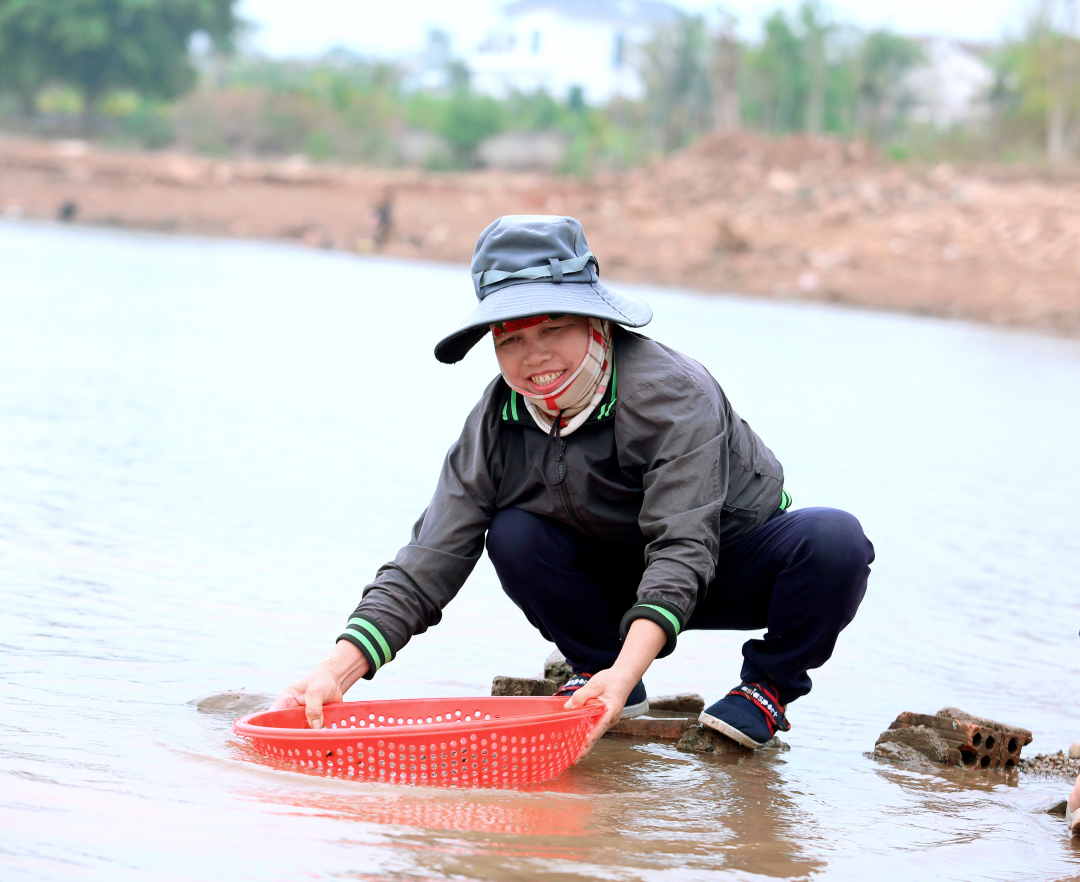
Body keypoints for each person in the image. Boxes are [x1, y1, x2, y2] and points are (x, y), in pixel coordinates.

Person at [272, 215, 874, 753]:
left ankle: (768, 689)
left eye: (551, 327)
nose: (534, 357)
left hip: (724, 565)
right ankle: (605, 671)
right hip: (615, 577)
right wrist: (336, 671)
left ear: (594, 320)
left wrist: (638, 651)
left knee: (834, 541)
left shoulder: (670, 394)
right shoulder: (497, 419)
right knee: (513, 531)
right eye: (509, 338)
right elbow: (430, 555)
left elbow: (683, 547)